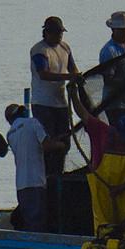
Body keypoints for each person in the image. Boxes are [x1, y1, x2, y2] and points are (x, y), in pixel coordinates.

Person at [29, 16, 81, 218]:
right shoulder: (39, 50)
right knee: (49, 144)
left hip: (60, 103)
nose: (59, 36)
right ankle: (48, 180)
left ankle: (58, 176)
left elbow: (73, 68)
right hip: (43, 103)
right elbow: (44, 74)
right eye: (56, 33)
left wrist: (75, 76)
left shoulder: (65, 48)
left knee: (64, 142)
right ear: (46, 33)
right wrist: (68, 77)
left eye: (61, 33)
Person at [73, 88, 125, 230]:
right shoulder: (102, 131)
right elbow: (83, 114)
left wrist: (121, 188)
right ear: (117, 130)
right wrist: (74, 95)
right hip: (102, 191)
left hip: (124, 195)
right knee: (104, 228)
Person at [4, 103, 51, 231]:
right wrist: (60, 145)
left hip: (21, 184)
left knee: (28, 220)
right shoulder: (33, 123)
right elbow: (46, 145)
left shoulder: (10, 134)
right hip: (36, 180)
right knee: (39, 222)